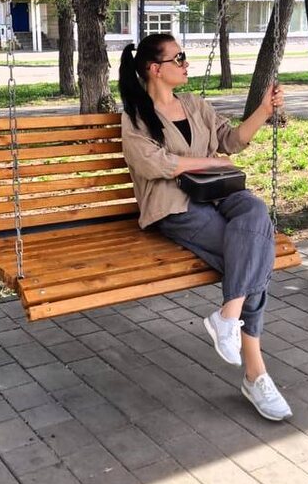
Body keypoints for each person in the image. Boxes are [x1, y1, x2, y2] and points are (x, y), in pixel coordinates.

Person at [119, 32, 291, 421]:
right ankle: (256, 374)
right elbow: (156, 164)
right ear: (155, 68)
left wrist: (263, 110)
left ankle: (227, 316)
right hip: (175, 206)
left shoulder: (195, 105)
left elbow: (231, 141)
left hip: (218, 193)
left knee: (255, 213)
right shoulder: (136, 118)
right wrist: (211, 162)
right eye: (178, 58)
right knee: (255, 255)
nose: (186, 64)